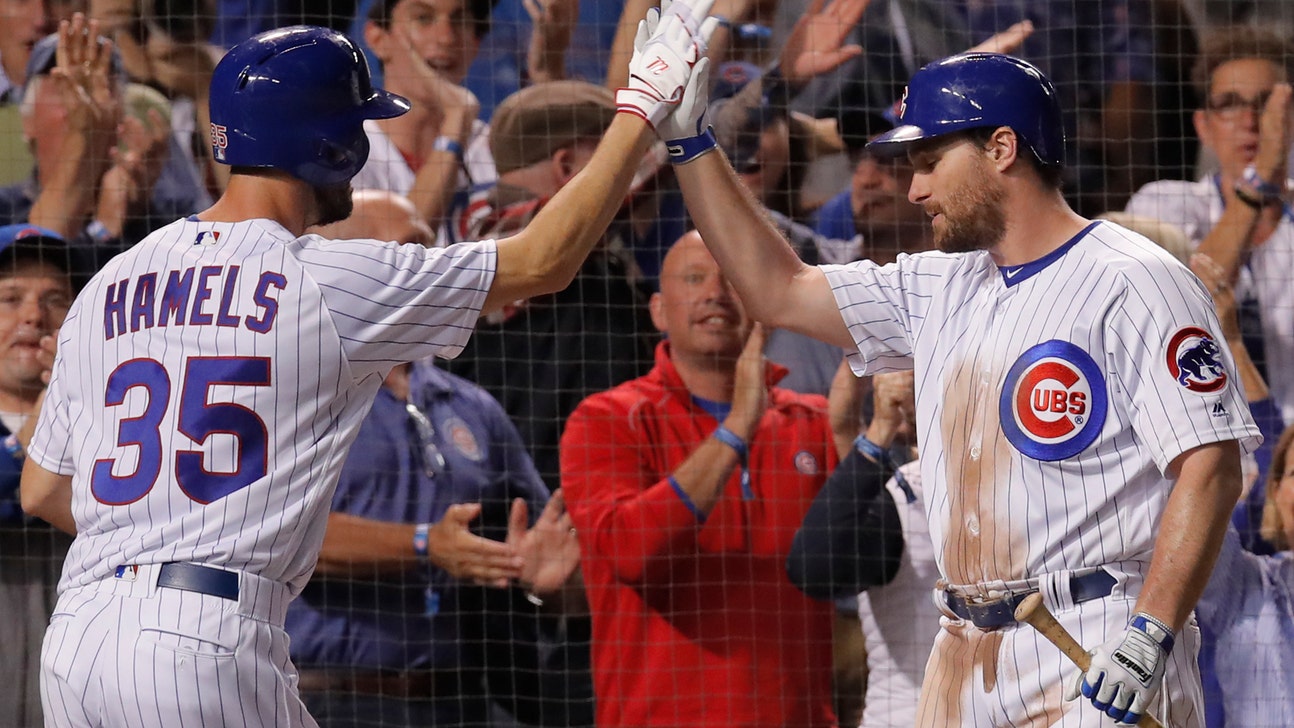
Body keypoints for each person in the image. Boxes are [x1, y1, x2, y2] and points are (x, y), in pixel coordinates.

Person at [19, 5, 714, 724]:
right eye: (358, 123)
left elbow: (42, 490)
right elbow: (544, 260)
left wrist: (148, 539)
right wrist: (641, 108)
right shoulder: (322, 278)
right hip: (204, 634)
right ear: (330, 144)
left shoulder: (112, 280)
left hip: (79, 636)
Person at [652, 8, 1262, 722]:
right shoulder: (934, 284)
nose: (914, 189)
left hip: (1092, 637)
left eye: (930, 161)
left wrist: (1150, 632)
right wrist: (690, 143)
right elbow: (777, 290)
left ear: (1002, 147)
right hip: (962, 650)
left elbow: (1210, 465)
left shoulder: (1137, 278)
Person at [559, 231, 841, 727]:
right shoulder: (606, 419)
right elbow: (629, 549)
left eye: (732, 278)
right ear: (659, 310)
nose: (715, 292)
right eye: (694, 278)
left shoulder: (817, 423)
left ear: (762, 307)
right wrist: (736, 429)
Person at [1124, 26, 1294, 425]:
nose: (1250, 121)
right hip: (1197, 440)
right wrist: (1258, 183)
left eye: (1266, 102)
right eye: (1230, 104)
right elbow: (1182, 306)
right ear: (1203, 126)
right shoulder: (1164, 203)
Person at [0, 224, 74, 728]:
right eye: (10, 298)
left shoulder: (110, 425)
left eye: (55, 298)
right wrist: (48, 411)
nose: (33, 315)